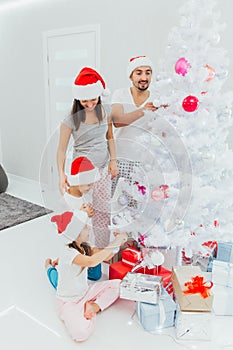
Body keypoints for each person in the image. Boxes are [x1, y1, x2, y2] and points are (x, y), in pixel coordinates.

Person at [57, 66, 118, 248]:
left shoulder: (106, 110)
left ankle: (101, 249)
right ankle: (83, 249)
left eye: (93, 99)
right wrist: (62, 174)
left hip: (103, 167)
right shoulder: (70, 117)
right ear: (78, 98)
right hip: (81, 172)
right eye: (85, 101)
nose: (90, 104)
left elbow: (109, 136)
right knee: (83, 212)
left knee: (102, 211)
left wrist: (113, 160)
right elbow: (61, 149)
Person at [48, 209, 128, 342]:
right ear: (76, 233)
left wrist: (116, 244)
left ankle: (93, 307)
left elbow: (106, 256)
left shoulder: (84, 246)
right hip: (69, 302)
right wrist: (116, 242)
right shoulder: (68, 252)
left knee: (118, 285)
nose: (89, 229)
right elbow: (92, 262)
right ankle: (48, 266)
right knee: (80, 334)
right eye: (85, 227)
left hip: (86, 293)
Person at [110, 56, 158, 209]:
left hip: (142, 162)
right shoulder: (120, 94)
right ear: (131, 76)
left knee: (134, 204)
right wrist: (143, 111)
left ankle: (128, 233)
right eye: (139, 73)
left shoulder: (157, 98)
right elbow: (117, 121)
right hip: (119, 158)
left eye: (148, 72)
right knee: (106, 199)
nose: (144, 77)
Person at [46, 155, 102, 286]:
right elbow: (64, 230)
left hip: (83, 244)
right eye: (88, 184)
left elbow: (86, 223)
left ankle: (68, 263)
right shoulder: (65, 201)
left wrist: (89, 214)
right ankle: (49, 268)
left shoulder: (84, 197)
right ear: (77, 181)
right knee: (63, 285)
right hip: (71, 248)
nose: (91, 187)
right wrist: (82, 214)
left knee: (96, 275)